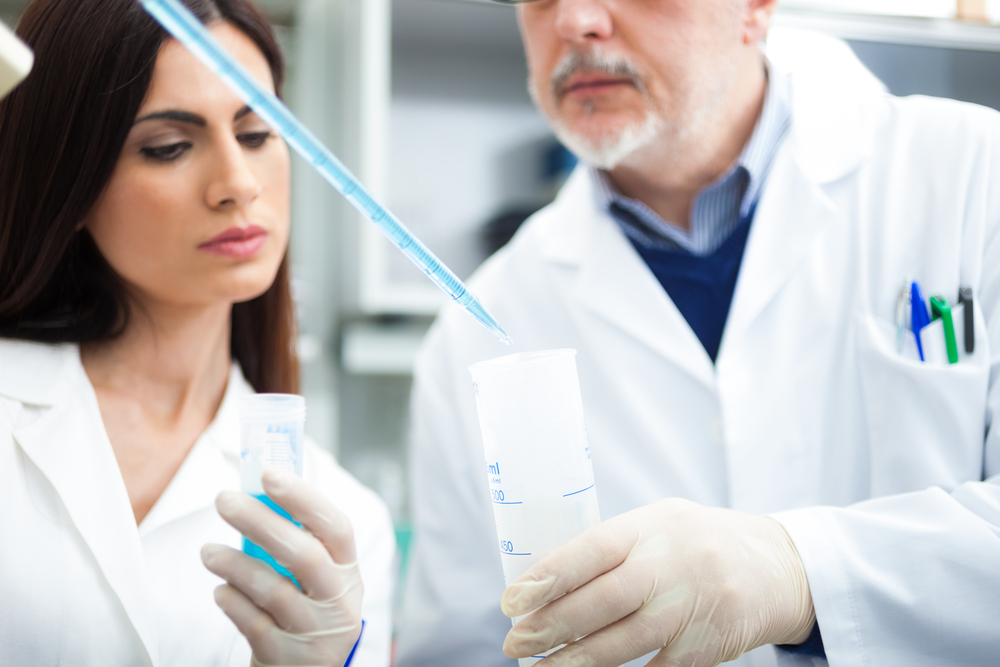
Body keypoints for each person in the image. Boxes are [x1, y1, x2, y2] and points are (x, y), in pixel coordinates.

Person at [396, 0, 1000, 665]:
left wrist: (803, 570)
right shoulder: (476, 335)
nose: (573, 20)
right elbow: (463, 650)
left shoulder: (975, 178)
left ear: (756, 8)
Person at [0, 0, 394, 665]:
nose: (237, 184)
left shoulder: (344, 524)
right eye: (169, 147)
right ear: (68, 181)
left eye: (258, 132)